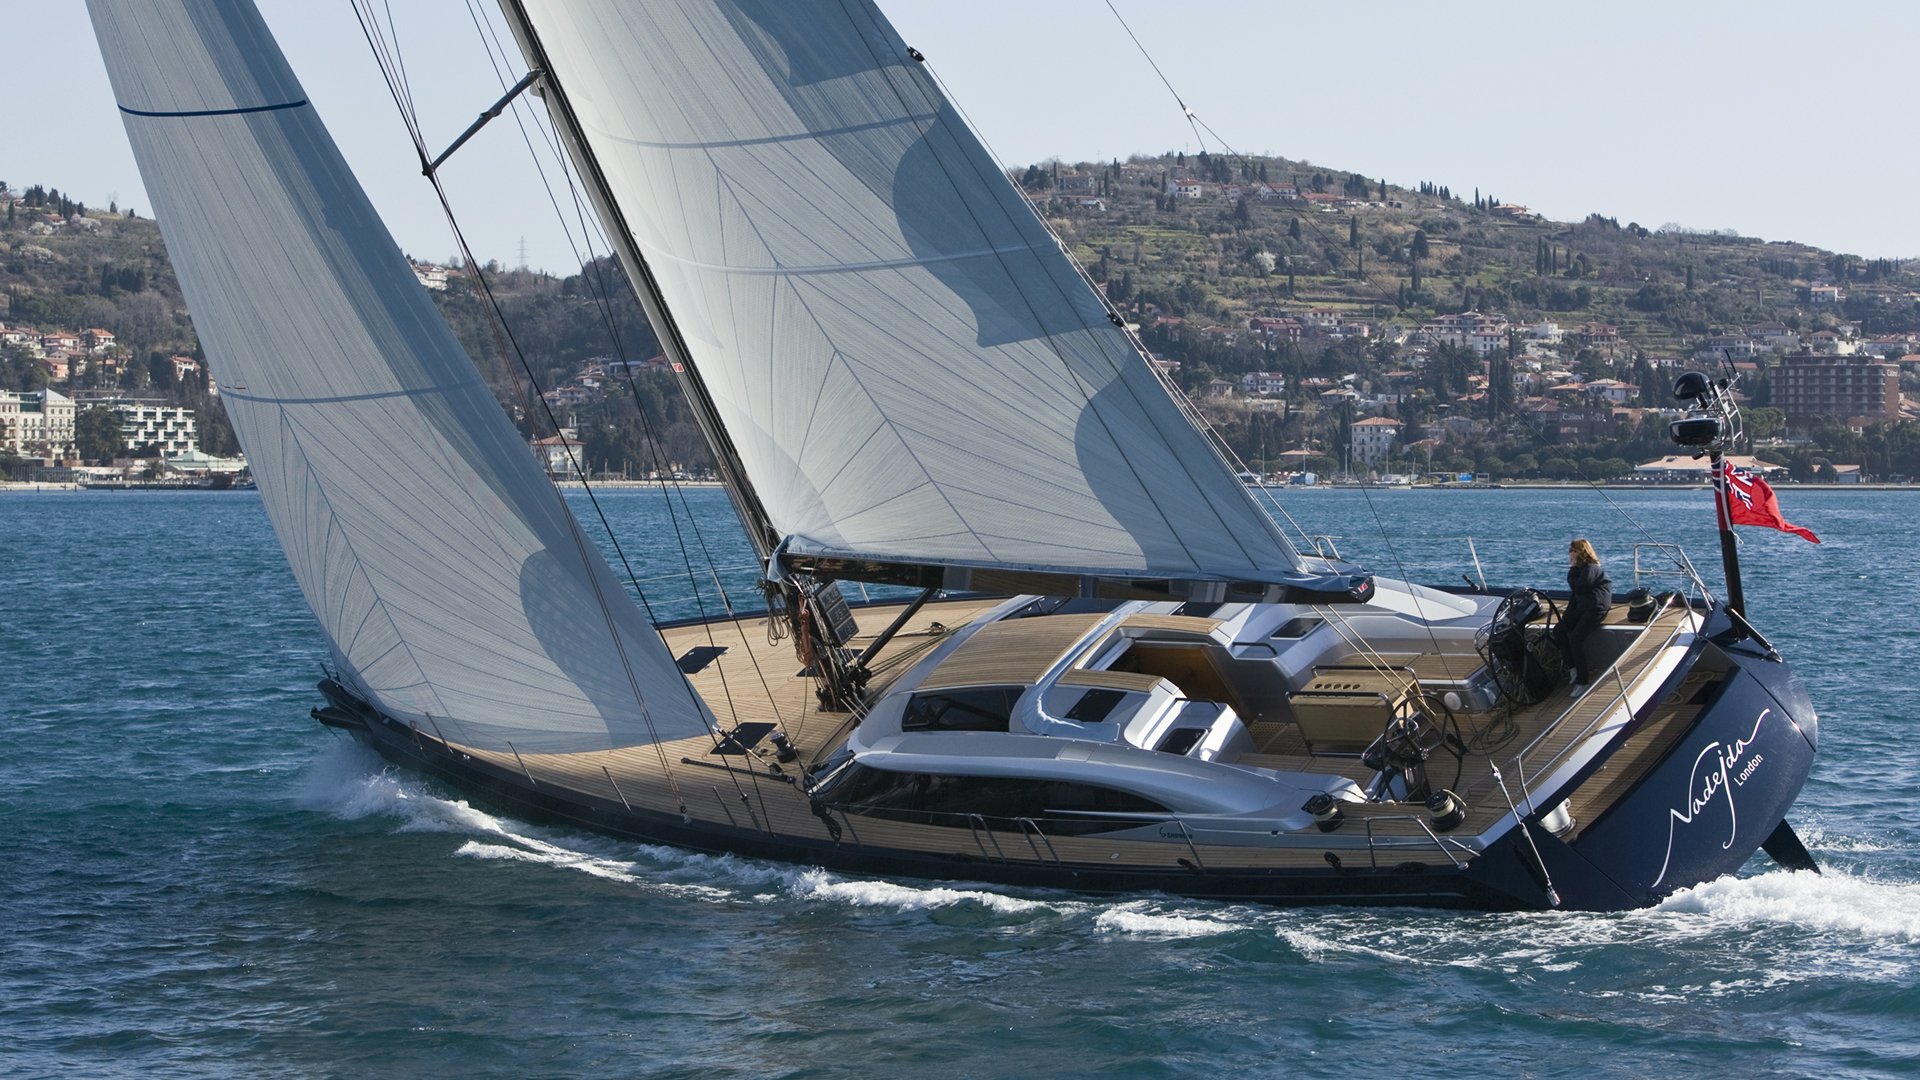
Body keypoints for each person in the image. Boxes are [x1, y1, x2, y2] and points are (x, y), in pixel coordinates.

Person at [1552, 538, 1612, 690]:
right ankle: (1572, 668)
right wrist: (1566, 618)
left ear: (1580, 552)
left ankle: (1582, 680)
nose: (1569, 554)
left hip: (1595, 607)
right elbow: (1576, 596)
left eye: (1572, 551)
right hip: (1583, 606)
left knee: (1575, 638)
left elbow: (1579, 587)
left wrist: (1572, 568)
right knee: (1559, 631)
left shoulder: (1590, 569)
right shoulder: (1580, 570)